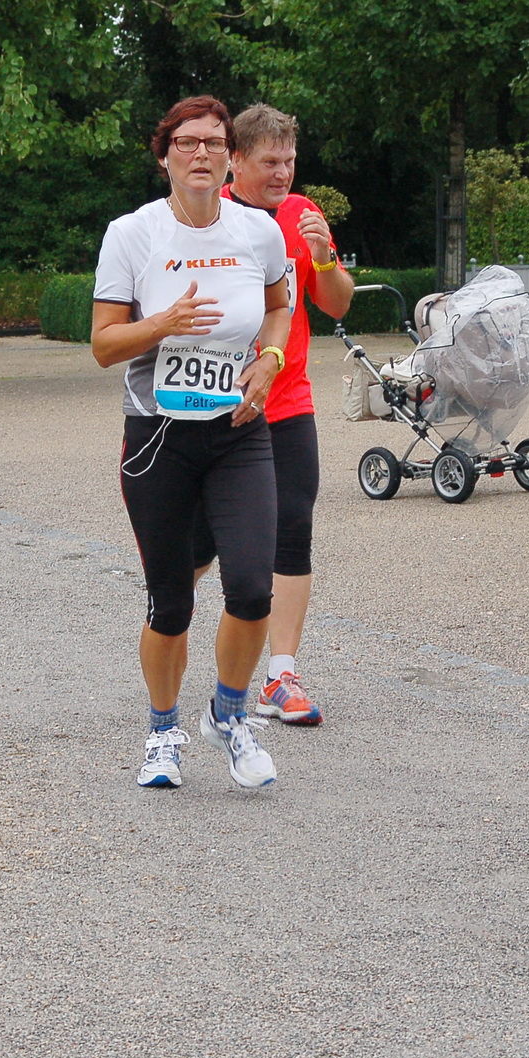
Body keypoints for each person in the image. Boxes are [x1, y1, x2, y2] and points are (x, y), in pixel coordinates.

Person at [91, 95, 291, 791]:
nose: (201, 153)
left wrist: (269, 361)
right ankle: (162, 731)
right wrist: (165, 322)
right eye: (187, 142)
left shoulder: (259, 231)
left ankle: (230, 716)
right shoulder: (133, 235)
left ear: (230, 156)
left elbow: (278, 305)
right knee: (170, 601)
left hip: (238, 434)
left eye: (214, 141)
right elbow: (102, 344)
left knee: (252, 586)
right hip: (158, 440)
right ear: (165, 155)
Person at [190, 103, 356, 727]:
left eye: (289, 160)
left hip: (287, 400)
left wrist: (323, 257)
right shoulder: (211, 216)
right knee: (201, 542)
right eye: (270, 162)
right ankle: (170, 619)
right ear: (236, 160)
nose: (283, 172)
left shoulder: (303, 214)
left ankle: (280, 677)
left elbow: (336, 306)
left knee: (292, 529)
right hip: (213, 402)